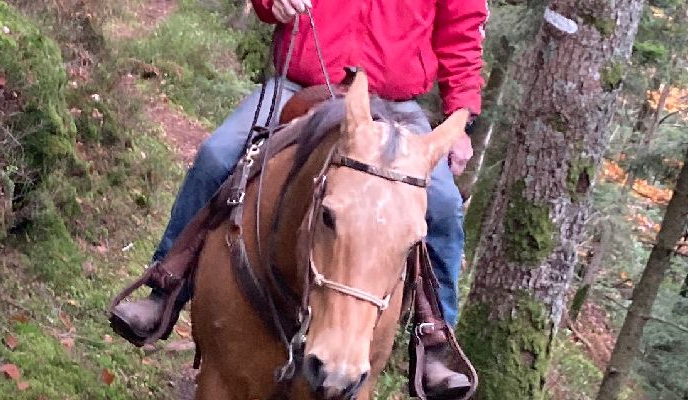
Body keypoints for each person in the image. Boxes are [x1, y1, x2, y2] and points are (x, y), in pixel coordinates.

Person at [110, 0, 486, 396]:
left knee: (442, 205)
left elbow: (461, 30)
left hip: (395, 108)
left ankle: (434, 336)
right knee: (217, 155)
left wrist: (460, 116)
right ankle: (167, 282)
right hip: (303, 85)